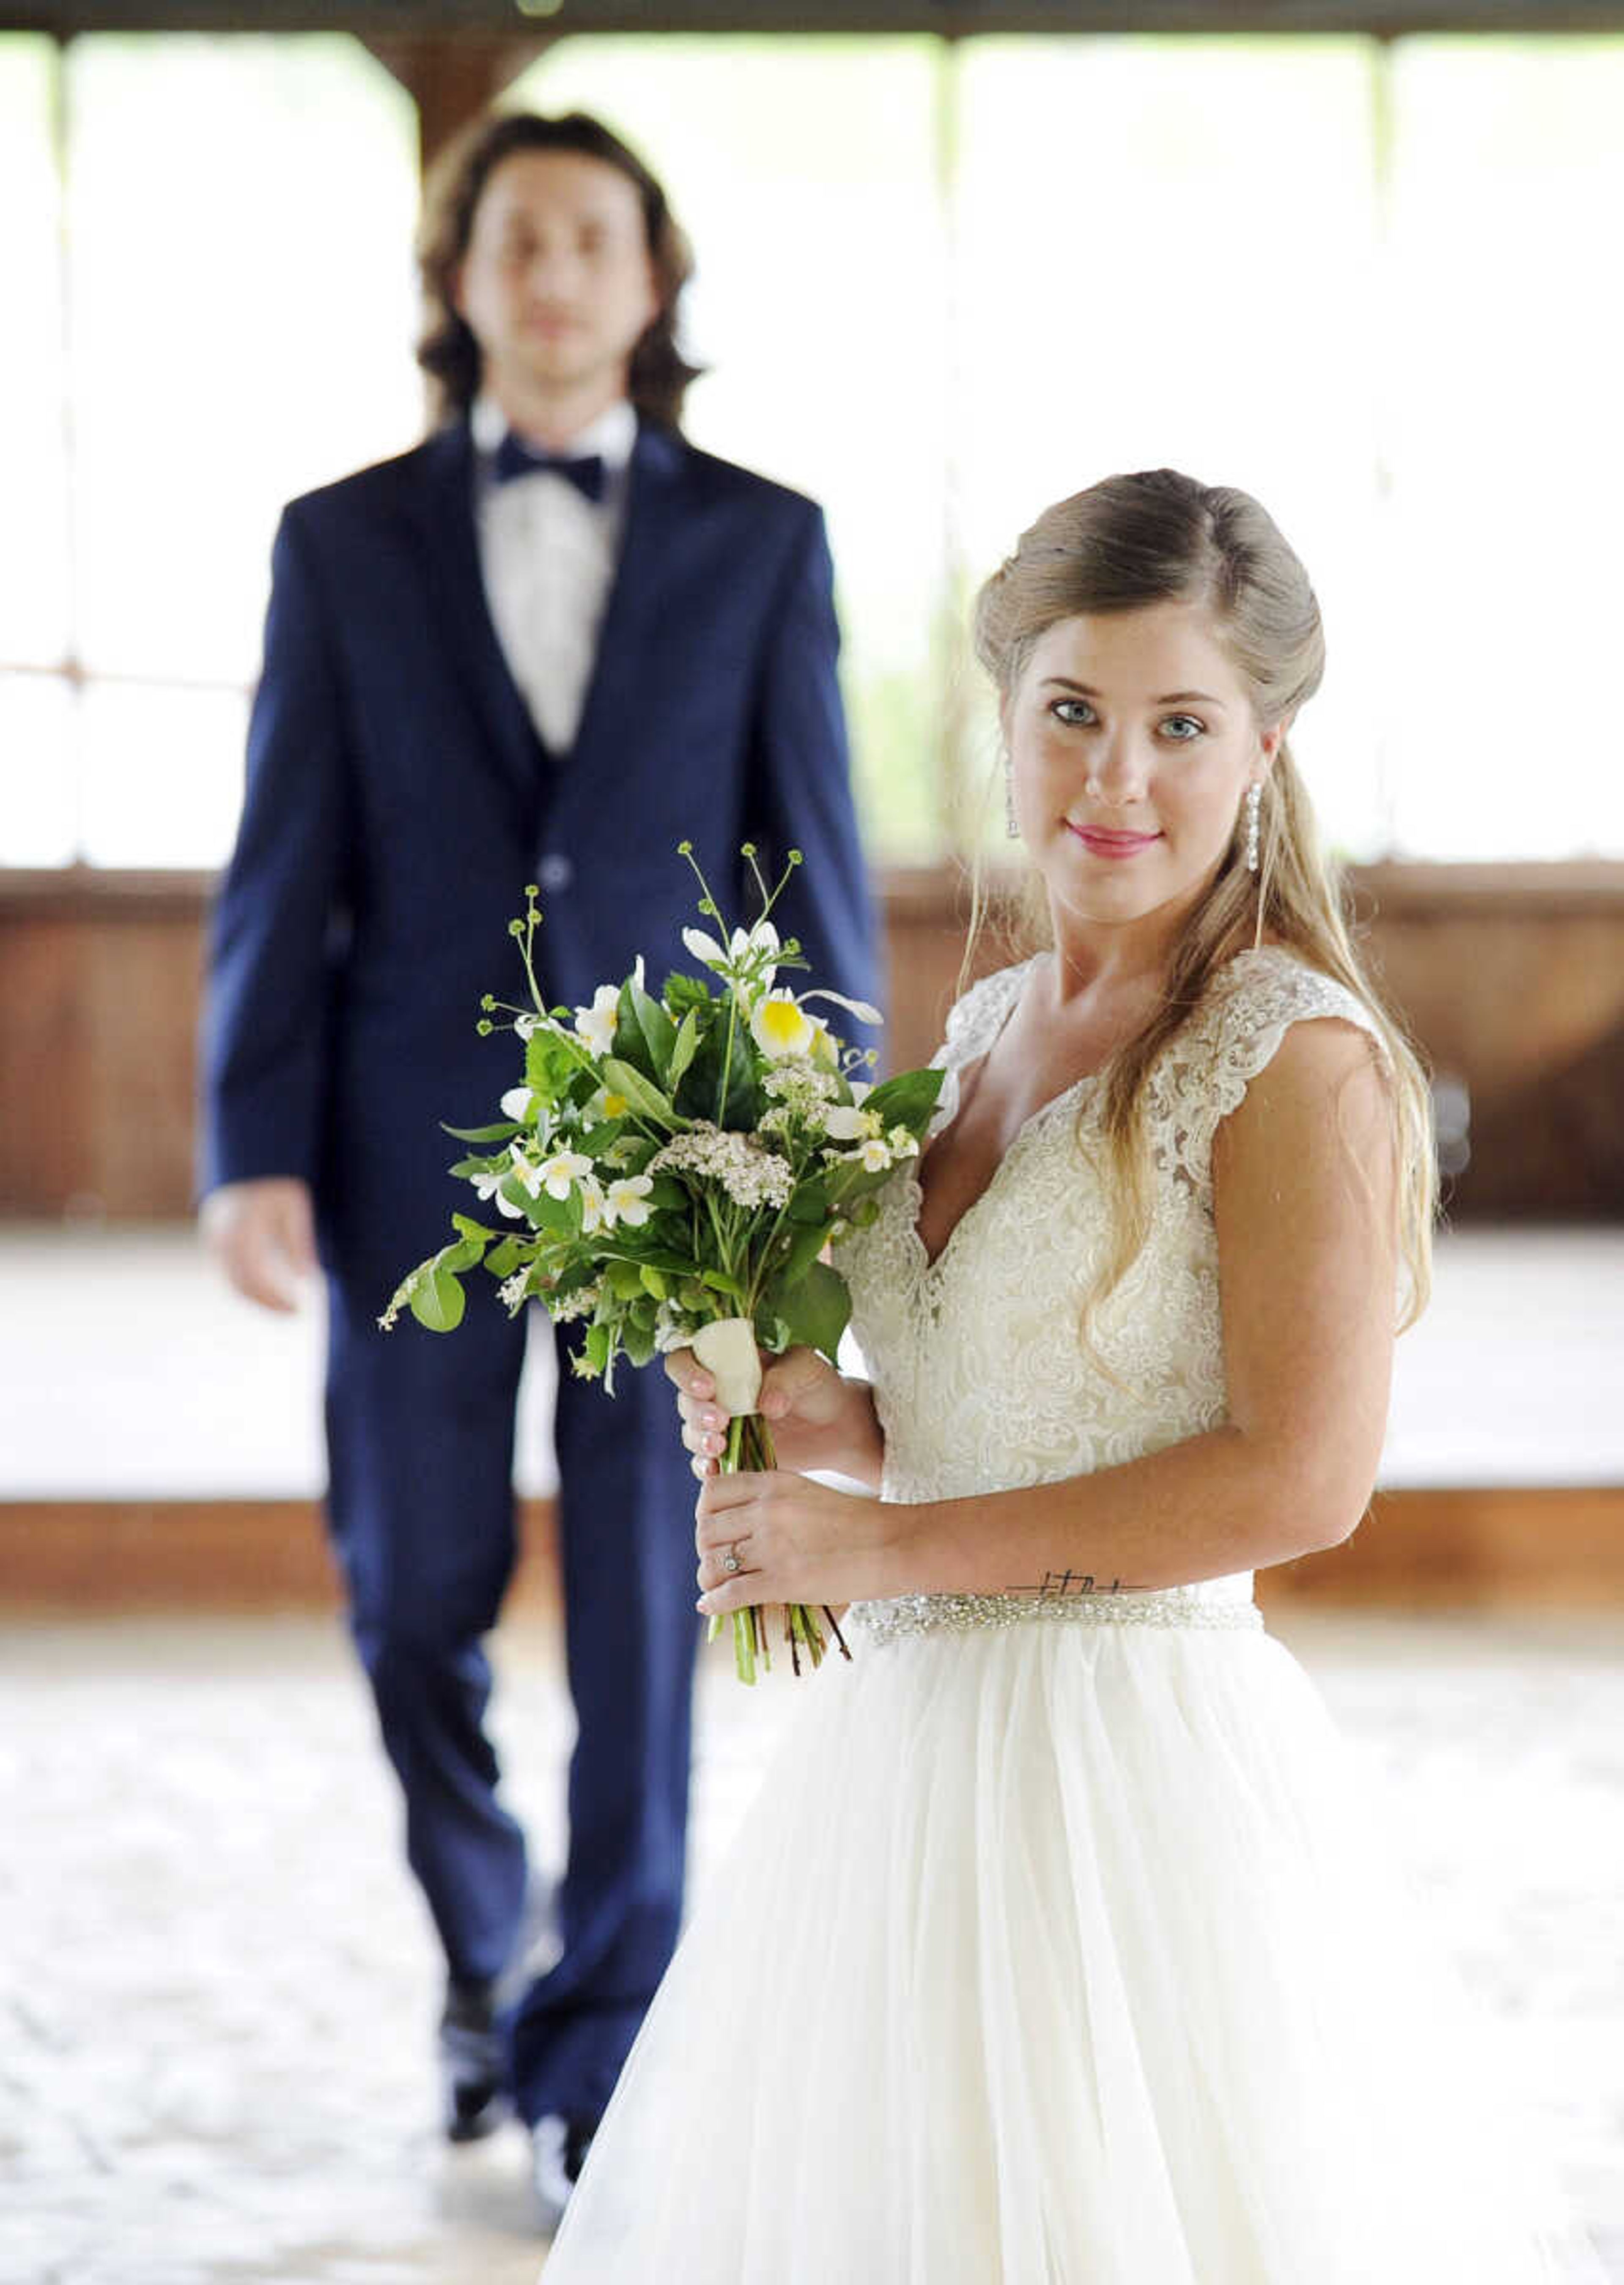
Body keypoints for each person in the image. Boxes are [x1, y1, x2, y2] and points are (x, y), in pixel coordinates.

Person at [538, 469, 1600, 2280]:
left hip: (1130, 1787)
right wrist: (837, 1428)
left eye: (1181, 725)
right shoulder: (981, 1031)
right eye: (1076, 716)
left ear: (1263, 745)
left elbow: (1298, 1479)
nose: (1118, 780)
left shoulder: (1292, 1056)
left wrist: (873, 1551)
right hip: (902, 1770)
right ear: (1009, 718)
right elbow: (998, 1409)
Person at [197, 107, 878, 2206]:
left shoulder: (767, 541)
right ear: (465, 280)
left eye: (596, 240)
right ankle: (487, 1938)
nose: (558, 277)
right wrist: (250, 1136)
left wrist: (822, 1162)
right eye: (519, 242)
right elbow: (280, 859)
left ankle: (603, 2032)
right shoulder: (340, 540)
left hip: (676, 1169)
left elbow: (816, 868)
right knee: (409, 1595)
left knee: (648, 1616)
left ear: (652, 282)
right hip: (404, 1155)